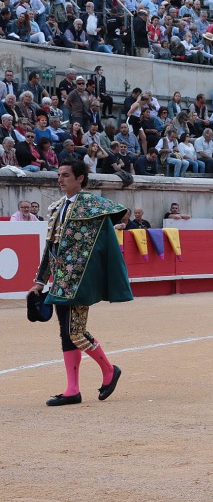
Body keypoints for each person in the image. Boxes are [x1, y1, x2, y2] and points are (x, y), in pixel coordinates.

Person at [29, 160, 132, 406]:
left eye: (66, 175)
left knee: (75, 332)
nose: (60, 179)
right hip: (60, 281)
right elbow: (50, 247)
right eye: (59, 175)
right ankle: (72, 389)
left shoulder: (92, 206)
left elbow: (118, 216)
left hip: (79, 279)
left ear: (80, 179)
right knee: (66, 333)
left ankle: (109, 370)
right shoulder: (55, 208)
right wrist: (40, 281)